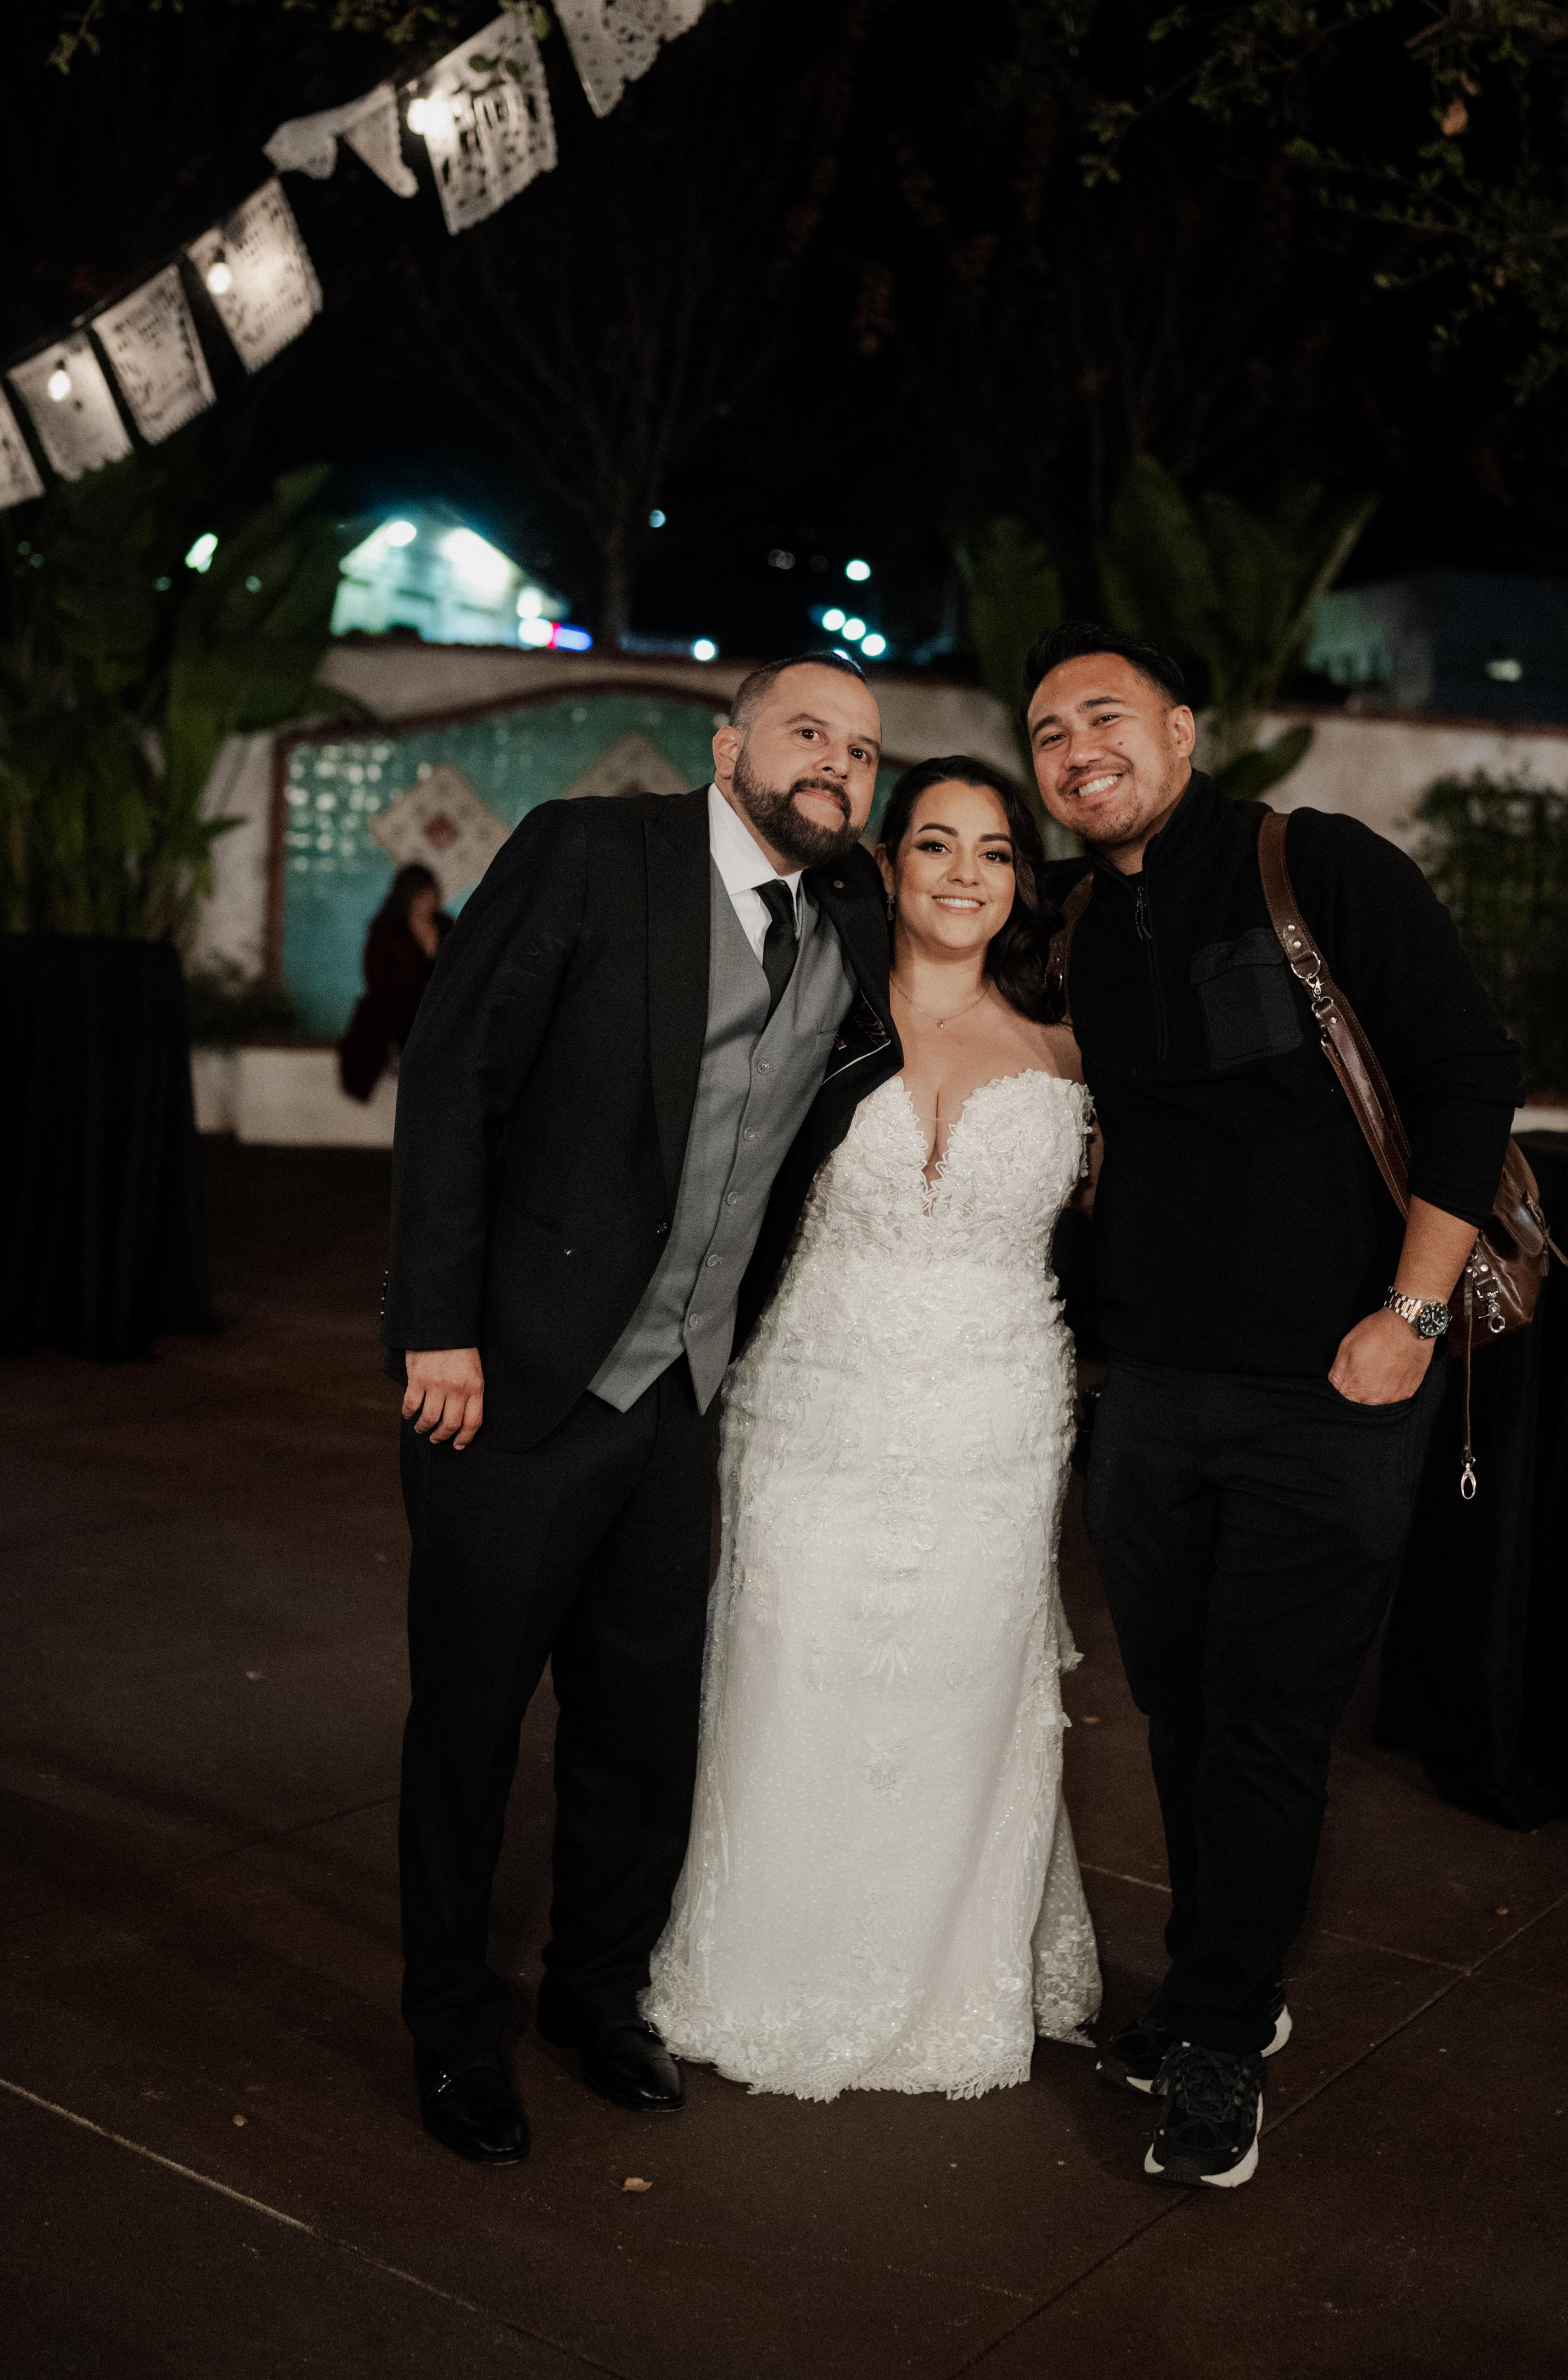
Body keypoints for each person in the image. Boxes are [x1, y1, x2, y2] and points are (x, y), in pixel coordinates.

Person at [381, 650, 901, 2165]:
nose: (836, 762)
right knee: (470, 1722)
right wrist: (436, 1328)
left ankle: (592, 1995)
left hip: (684, 1391)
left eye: (862, 749)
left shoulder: (849, 920)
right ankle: (449, 2024)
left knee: (640, 1722)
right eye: (808, 731)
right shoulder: (592, 851)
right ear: (729, 747)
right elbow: (455, 1075)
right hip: (514, 1375)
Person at [1024, 622, 1519, 2190]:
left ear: (1182, 727)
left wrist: (1409, 1316)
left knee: (1264, 1721)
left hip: (1331, 1385)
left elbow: (1464, 1073)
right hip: (1151, 1394)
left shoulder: (1319, 866)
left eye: (1104, 715)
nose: (1076, 751)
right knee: (1180, 1711)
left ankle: (1220, 2034)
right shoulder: (1081, 922)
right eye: (1047, 733)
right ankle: (1217, 1975)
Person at [644, 756, 1102, 2098]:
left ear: (1020, 880)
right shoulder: (809, 1013)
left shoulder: (1072, 1043)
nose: (965, 873)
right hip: (812, 1396)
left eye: (995, 851)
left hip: (999, 1414)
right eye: (936, 843)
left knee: (963, 1679)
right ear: (888, 864)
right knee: (789, 1658)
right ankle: (757, 1961)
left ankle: (950, 1974)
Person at [338, 864, 450, 1102]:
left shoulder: (444, 926)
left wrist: (432, 953)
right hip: (395, 1011)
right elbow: (378, 981)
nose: (428, 905)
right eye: (422, 898)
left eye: (432, 898)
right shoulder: (386, 930)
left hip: (435, 1010)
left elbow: (453, 974)